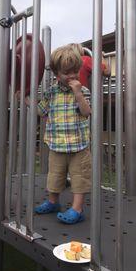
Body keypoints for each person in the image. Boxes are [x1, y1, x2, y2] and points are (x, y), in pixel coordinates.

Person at [31, 45, 91, 224]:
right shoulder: (51, 92)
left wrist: (78, 93)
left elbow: (87, 112)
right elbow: (41, 111)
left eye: (75, 71)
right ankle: (53, 201)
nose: (72, 76)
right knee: (55, 175)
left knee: (79, 177)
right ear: (57, 73)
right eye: (67, 72)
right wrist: (27, 99)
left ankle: (77, 209)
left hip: (78, 145)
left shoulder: (83, 91)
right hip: (57, 144)